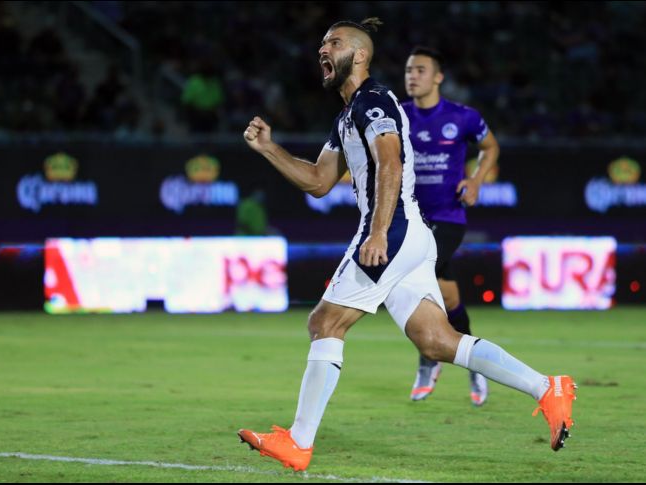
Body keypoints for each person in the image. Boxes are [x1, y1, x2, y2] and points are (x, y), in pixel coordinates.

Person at [237, 18, 576, 472]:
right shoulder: (347, 115)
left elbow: (390, 160)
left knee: (325, 323)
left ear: (359, 55)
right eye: (321, 43)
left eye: (334, 42)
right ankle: (547, 388)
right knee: (436, 341)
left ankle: (299, 441)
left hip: (392, 229)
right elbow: (318, 181)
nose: (323, 49)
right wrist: (269, 150)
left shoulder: (373, 101)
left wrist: (377, 233)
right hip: (412, 235)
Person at [402, 46, 500, 406]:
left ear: (438, 77)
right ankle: (478, 363)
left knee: (417, 271)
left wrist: (475, 181)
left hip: (448, 218)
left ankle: (429, 358)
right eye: (409, 70)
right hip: (412, 218)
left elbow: (490, 148)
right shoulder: (397, 116)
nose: (413, 76)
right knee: (449, 297)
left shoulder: (463, 117)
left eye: (421, 70)